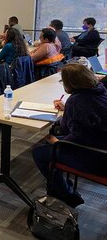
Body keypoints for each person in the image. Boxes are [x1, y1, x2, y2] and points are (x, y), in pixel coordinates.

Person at [32, 64, 107, 207]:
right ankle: (61, 186)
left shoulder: (76, 100)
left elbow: (69, 132)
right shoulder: (101, 91)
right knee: (49, 144)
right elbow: (88, 118)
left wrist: (56, 142)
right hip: (101, 145)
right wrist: (68, 109)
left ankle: (67, 194)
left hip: (96, 156)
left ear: (70, 83)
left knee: (39, 152)